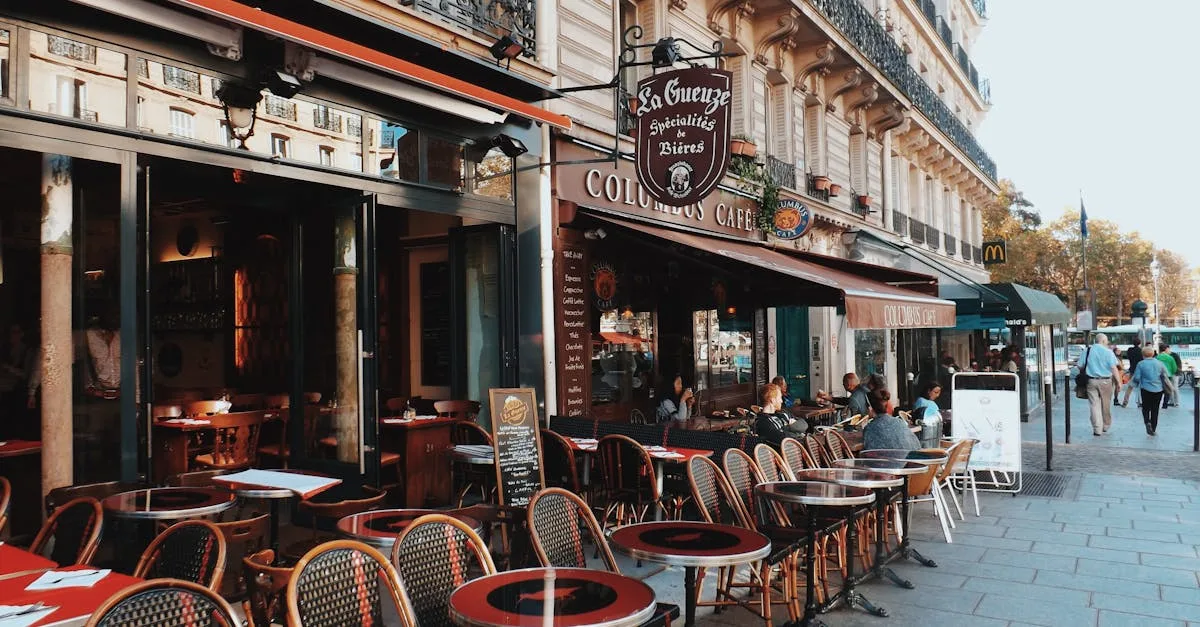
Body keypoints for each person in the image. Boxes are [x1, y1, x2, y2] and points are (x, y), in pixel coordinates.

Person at [1079, 333, 1121, 436]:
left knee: (1094, 405)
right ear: (1103, 341)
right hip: (1106, 381)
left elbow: (1080, 366)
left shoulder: (1087, 351)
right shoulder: (1108, 352)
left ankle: (1097, 428)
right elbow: (1113, 368)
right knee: (1105, 404)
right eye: (1106, 341)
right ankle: (1106, 425)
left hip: (1091, 381)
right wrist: (1119, 382)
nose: (1107, 343)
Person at [1130, 345, 1169, 436]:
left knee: (1146, 408)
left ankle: (1147, 421)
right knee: (1155, 409)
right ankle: (1153, 427)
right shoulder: (1160, 363)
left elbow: (1137, 377)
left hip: (1145, 389)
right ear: (1153, 354)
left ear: (1143, 354)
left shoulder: (1141, 364)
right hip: (1158, 390)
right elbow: (1165, 375)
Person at [1157, 344, 1180, 408]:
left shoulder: (1157, 357)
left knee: (1159, 390)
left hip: (1159, 376)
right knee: (1167, 391)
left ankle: (1157, 404)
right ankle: (1165, 404)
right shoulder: (1170, 358)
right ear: (1165, 349)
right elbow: (1174, 368)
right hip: (1168, 376)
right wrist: (1171, 373)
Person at [1123, 338, 1144, 407]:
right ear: (1139, 343)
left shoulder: (1130, 350)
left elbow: (1128, 357)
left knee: (1130, 387)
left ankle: (1125, 402)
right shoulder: (1141, 351)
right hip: (1139, 371)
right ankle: (1139, 402)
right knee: (1140, 388)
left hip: (1132, 370)